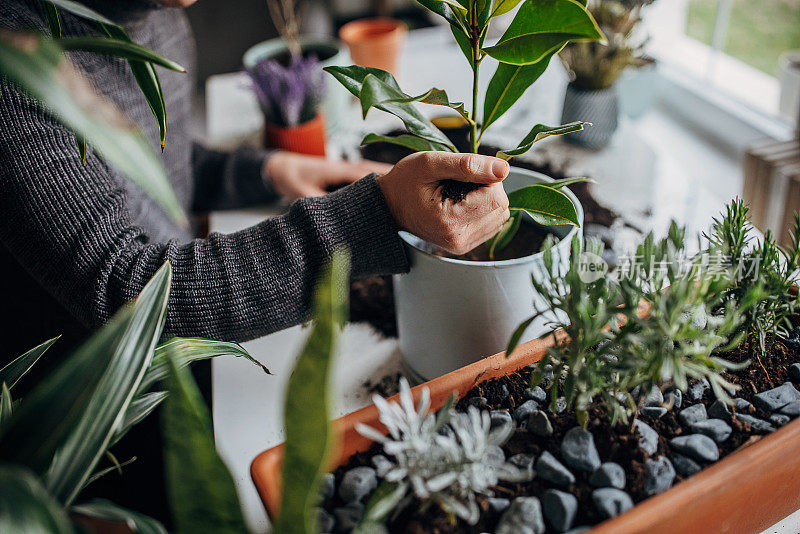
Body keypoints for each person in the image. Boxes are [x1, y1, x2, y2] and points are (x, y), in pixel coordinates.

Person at [0, 0, 510, 523]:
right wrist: (371, 218)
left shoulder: (159, 14)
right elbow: (131, 294)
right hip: (100, 429)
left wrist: (266, 169)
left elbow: (151, 161)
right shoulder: (15, 64)